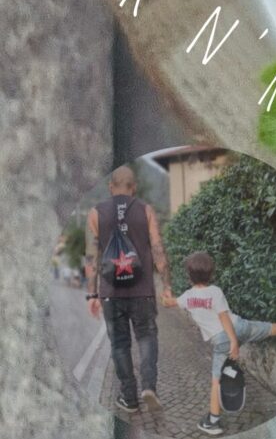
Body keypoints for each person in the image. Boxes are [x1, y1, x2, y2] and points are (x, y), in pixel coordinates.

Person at [174, 250, 276, 433]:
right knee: (273, 328)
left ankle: (212, 421)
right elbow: (227, 317)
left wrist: (233, 342)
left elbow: (221, 318)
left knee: (216, 380)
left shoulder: (186, 297)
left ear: (188, 275)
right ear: (211, 273)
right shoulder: (215, 291)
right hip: (241, 327)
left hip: (224, 339)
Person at [84, 164, 174, 416]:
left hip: (111, 292)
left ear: (110, 187)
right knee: (146, 337)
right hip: (143, 291)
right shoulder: (145, 210)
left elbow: (91, 257)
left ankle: (130, 397)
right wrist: (167, 286)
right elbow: (158, 249)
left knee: (120, 345)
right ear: (134, 188)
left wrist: (92, 294)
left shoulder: (94, 213)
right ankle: (149, 387)